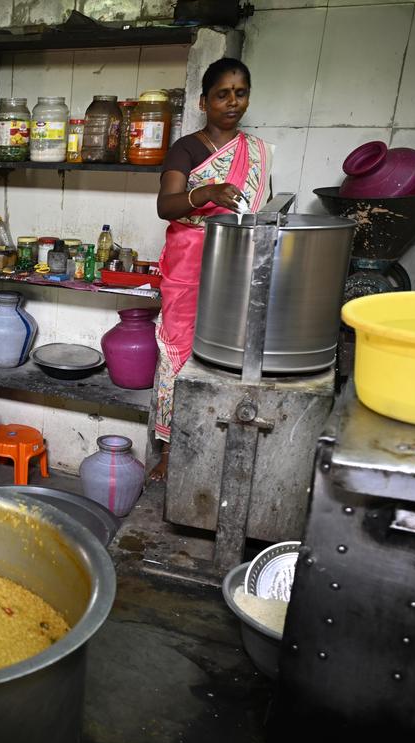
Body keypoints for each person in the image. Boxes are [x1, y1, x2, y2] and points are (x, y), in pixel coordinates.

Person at [149, 57, 270, 480]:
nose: (232, 102)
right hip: (188, 265)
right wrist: (206, 193)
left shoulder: (257, 153)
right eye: (222, 94)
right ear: (204, 101)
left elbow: (258, 210)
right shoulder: (186, 148)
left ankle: (218, 447)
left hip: (237, 264)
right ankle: (169, 448)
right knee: (177, 354)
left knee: (226, 355)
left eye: (240, 93)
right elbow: (166, 206)